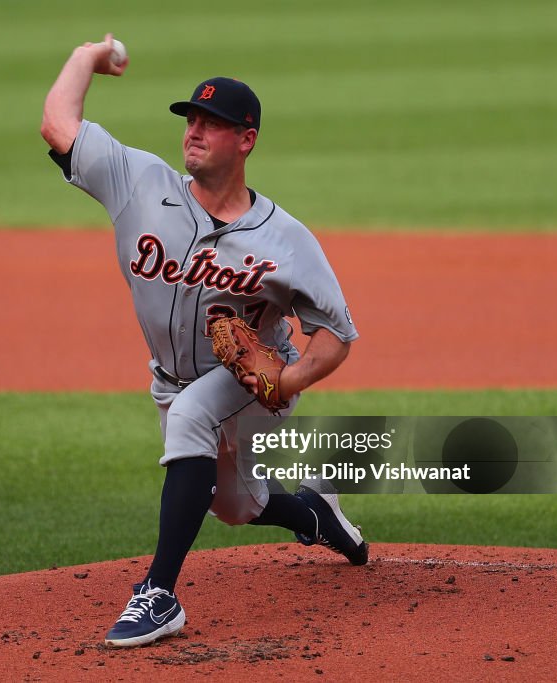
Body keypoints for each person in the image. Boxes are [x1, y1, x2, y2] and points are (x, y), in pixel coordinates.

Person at [41, 34, 367, 649]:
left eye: (212, 123)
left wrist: (286, 381)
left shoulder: (286, 240)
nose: (194, 130)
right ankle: (315, 514)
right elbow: (59, 124)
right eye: (191, 118)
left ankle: (158, 595)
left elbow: (336, 336)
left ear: (245, 140)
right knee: (235, 505)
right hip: (170, 379)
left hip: (250, 389)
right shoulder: (139, 183)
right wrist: (88, 57)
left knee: (195, 415)